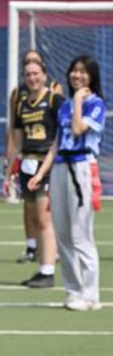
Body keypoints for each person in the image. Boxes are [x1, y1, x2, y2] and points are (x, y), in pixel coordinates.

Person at [36, 55, 105, 310]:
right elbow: (57, 143)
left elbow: (77, 130)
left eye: (83, 72)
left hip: (82, 168)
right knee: (63, 234)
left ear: (92, 77)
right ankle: (73, 290)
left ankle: (91, 294)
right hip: (60, 168)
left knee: (80, 234)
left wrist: (77, 100)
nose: (77, 75)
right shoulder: (65, 105)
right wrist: (41, 172)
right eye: (74, 71)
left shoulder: (95, 104)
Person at [6, 56, 63, 288]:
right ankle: (43, 265)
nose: (32, 78)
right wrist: (9, 170)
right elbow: (18, 141)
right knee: (33, 216)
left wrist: (51, 164)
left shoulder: (54, 100)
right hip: (27, 165)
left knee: (43, 218)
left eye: (35, 73)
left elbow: (61, 135)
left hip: (46, 165)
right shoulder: (21, 103)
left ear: (44, 74)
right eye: (28, 74)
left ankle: (48, 271)